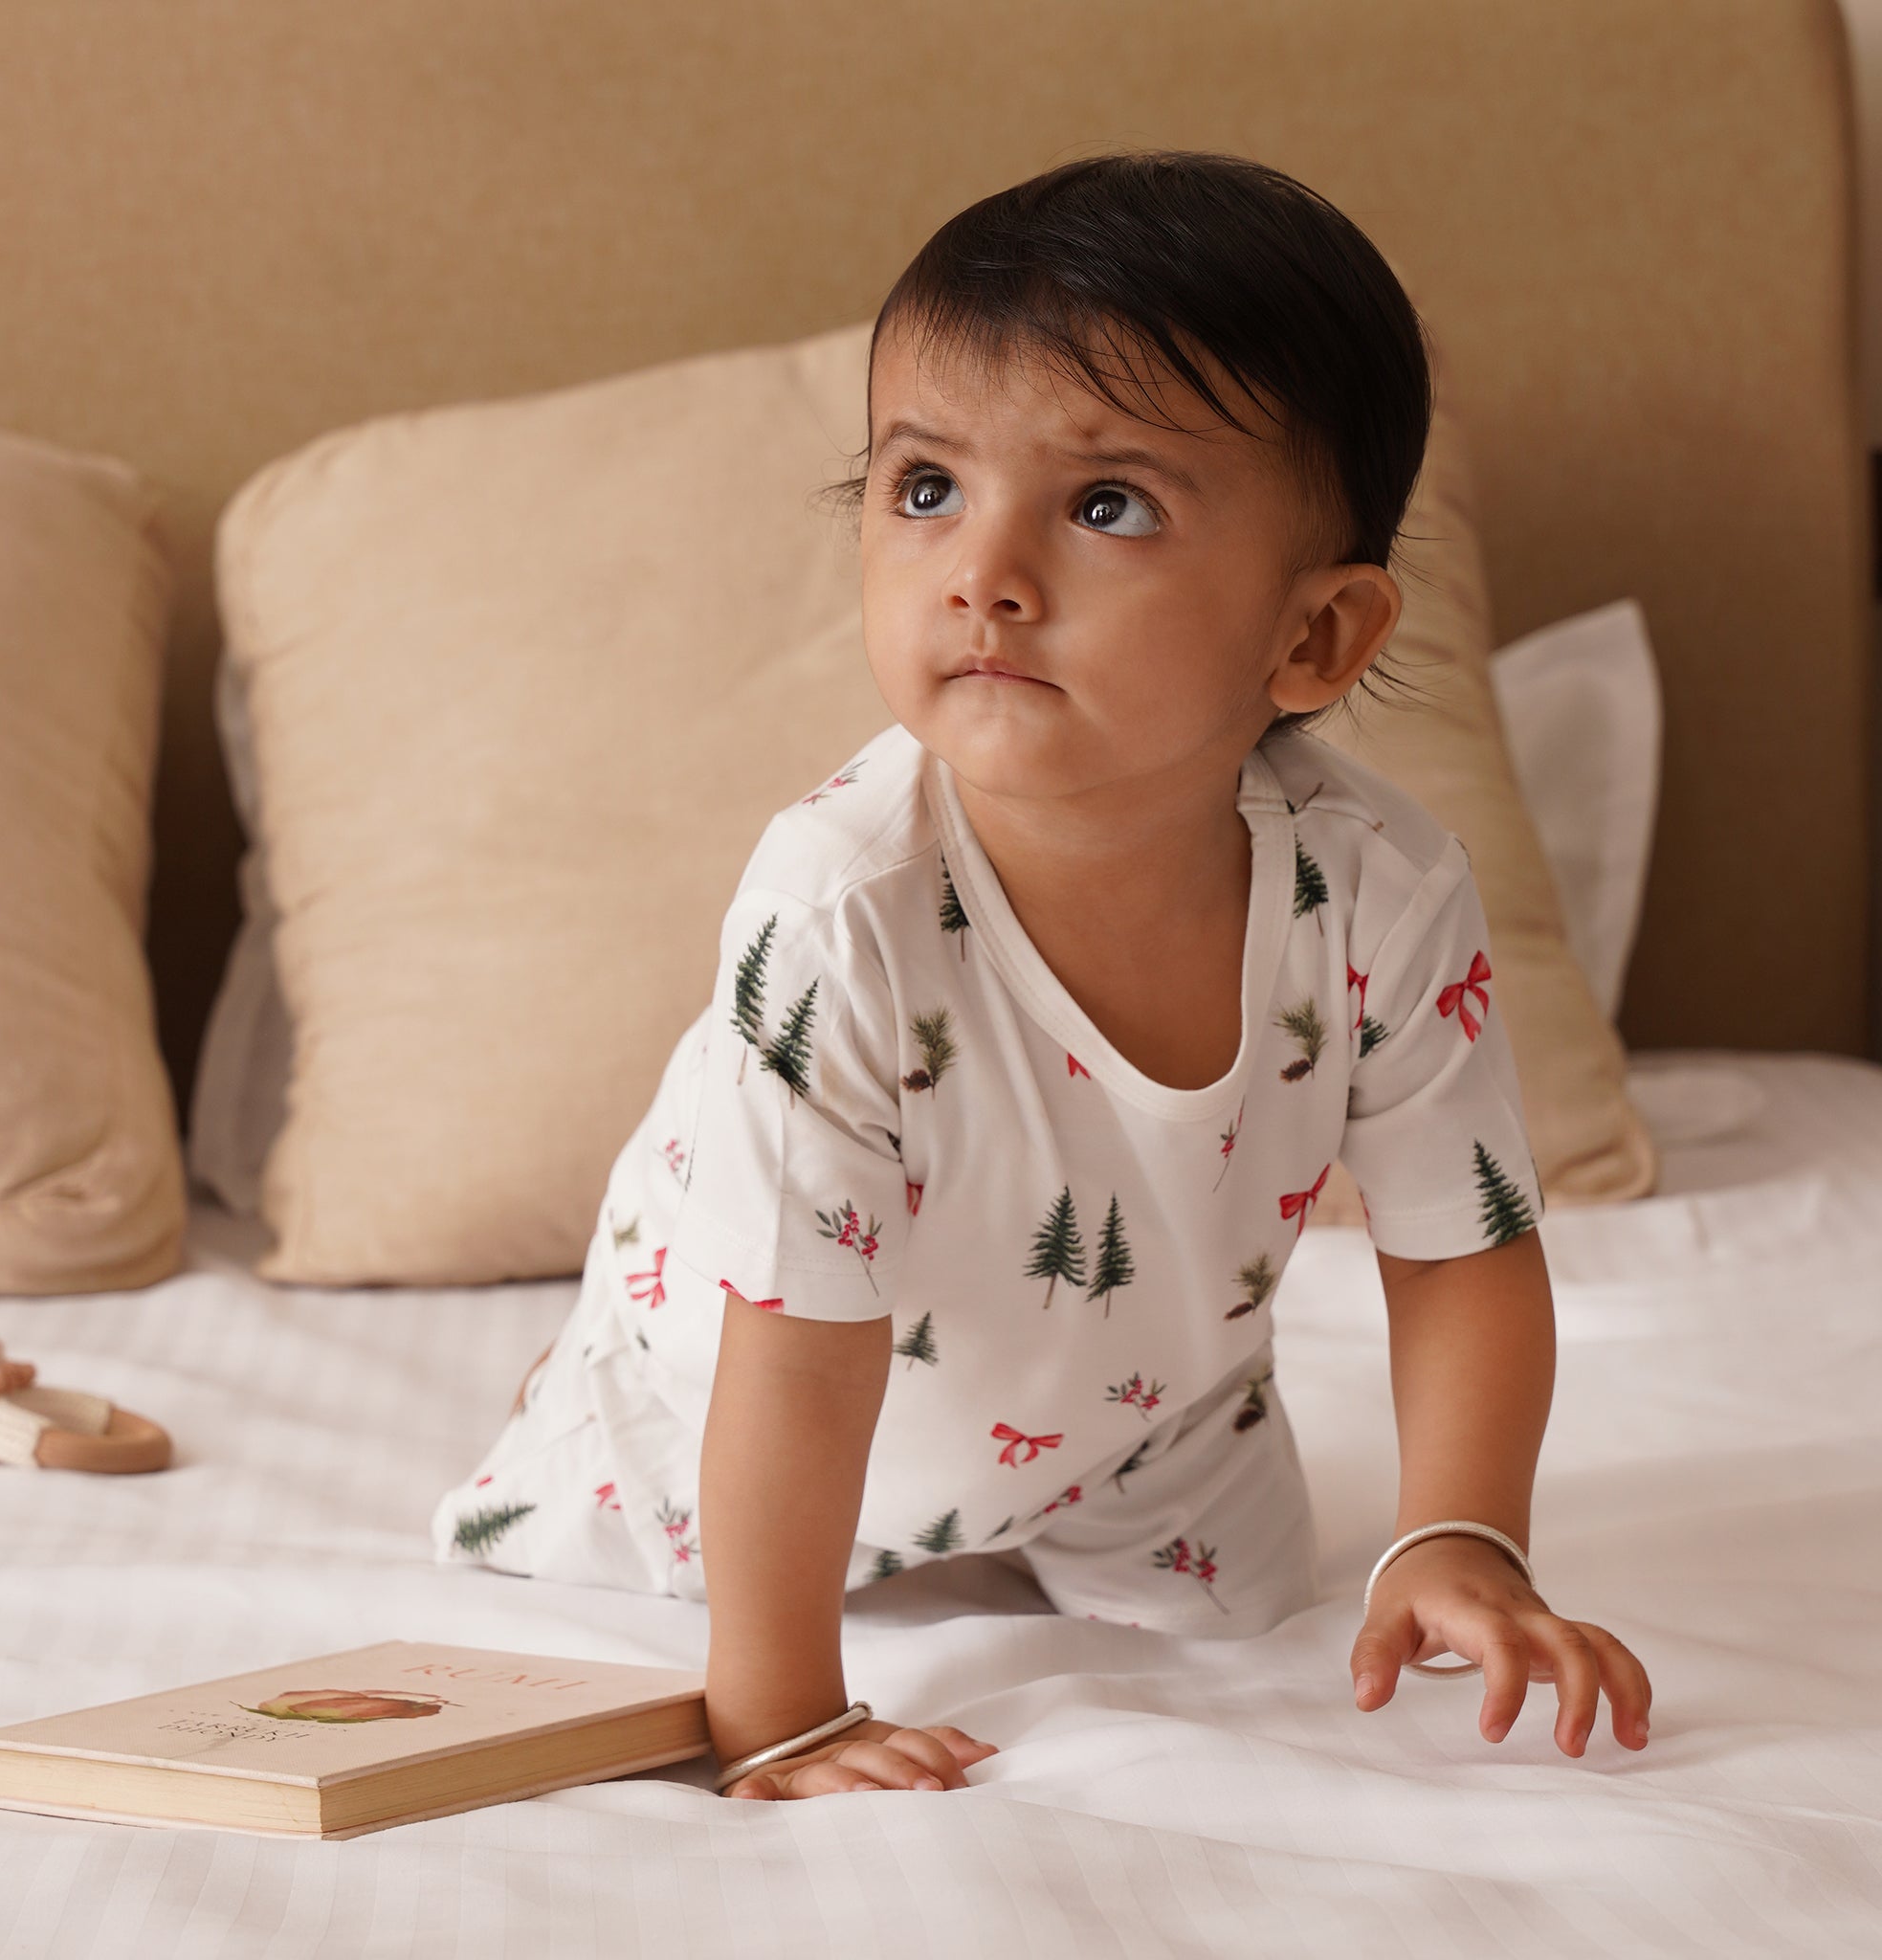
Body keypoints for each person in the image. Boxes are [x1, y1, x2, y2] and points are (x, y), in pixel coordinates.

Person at [431, 149, 1654, 1802]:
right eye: (925, 487)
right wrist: (781, 1715)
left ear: (1314, 641)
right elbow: (798, 1343)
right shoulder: (839, 911)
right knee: (631, 1491)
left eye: (1106, 506)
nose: (983, 570)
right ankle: (583, 1370)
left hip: (1158, 1431)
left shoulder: (1382, 892)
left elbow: (1464, 1254)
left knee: (1253, 1620)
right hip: (735, 1385)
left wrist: (1463, 1535)